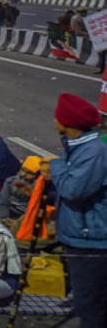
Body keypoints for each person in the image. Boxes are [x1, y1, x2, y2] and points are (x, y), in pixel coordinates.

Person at [48, 93, 107, 328]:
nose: (54, 120)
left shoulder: (93, 152)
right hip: (81, 236)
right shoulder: (76, 148)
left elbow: (74, 190)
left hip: (92, 241)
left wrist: (55, 165)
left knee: (90, 306)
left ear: (66, 123)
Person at [0, 156, 39, 227]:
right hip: (10, 213)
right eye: (23, 170)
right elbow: (3, 202)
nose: (23, 174)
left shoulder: (41, 189)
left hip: (27, 218)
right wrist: (4, 218)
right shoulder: (10, 181)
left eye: (30, 173)